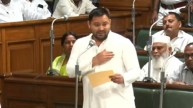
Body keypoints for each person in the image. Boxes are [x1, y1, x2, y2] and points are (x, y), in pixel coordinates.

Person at [67, 7, 140, 108]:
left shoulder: (123, 42)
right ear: (89, 24)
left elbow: (136, 71)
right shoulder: (81, 44)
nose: (101, 28)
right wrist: (93, 62)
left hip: (119, 102)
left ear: (110, 22)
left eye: (105, 24)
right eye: (96, 25)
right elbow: (70, 71)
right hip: (92, 103)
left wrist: (124, 78)